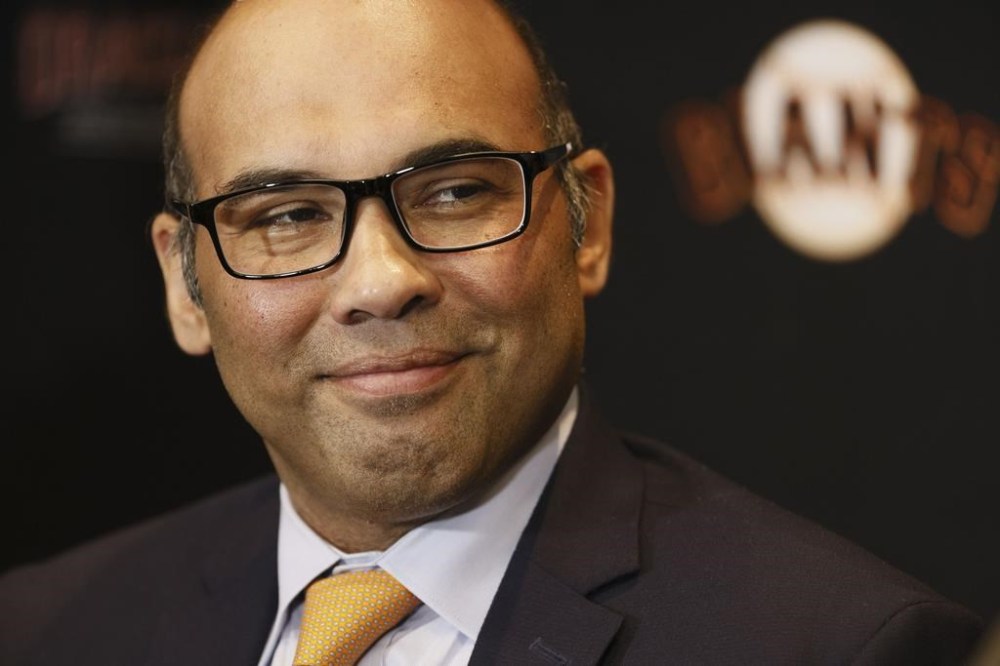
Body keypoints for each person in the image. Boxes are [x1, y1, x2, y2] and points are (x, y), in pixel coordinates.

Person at [0, 0, 986, 664]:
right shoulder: (44, 629)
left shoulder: (842, 647)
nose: (381, 283)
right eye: (287, 215)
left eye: (457, 192)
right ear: (184, 283)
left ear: (585, 222)